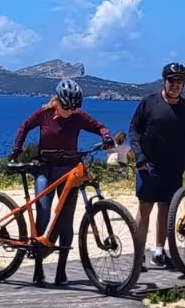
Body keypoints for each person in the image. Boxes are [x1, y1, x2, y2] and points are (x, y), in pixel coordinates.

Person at [10, 77, 113, 285]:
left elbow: (100, 127)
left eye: (74, 107)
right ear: (57, 100)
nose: (70, 110)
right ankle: (38, 267)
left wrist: (106, 137)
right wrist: (17, 151)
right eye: (67, 106)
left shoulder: (78, 116)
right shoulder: (44, 114)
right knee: (44, 211)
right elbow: (24, 127)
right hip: (44, 169)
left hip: (68, 171)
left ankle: (61, 271)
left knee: (66, 220)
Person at [131, 62, 185, 268]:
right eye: (171, 81)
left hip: (173, 168)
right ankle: (138, 256)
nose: (175, 85)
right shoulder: (149, 103)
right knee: (144, 209)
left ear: (184, 84)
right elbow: (134, 131)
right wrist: (139, 158)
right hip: (148, 166)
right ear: (164, 81)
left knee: (166, 209)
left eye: (179, 81)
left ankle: (158, 252)